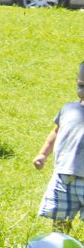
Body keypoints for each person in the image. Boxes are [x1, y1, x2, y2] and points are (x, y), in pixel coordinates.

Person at [32, 60, 84, 230]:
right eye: (81, 86)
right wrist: (42, 154)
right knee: (60, 215)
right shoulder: (69, 109)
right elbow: (56, 132)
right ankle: (61, 246)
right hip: (63, 173)